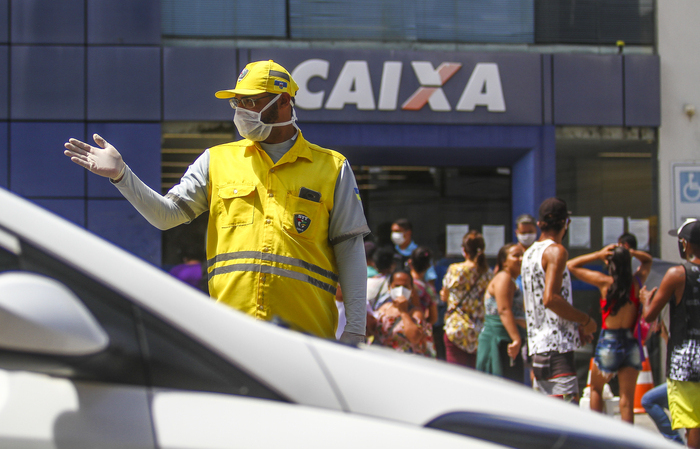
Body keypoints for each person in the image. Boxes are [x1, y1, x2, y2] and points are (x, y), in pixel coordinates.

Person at [63, 60, 370, 344]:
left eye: (251, 101)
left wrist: (355, 330)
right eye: (238, 102)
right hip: (231, 337)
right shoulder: (216, 160)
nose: (241, 110)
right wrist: (121, 175)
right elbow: (166, 216)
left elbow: (350, 250)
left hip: (307, 337)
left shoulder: (332, 167)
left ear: (285, 102)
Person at [521, 197, 597, 403]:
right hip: (557, 351)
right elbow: (551, 299)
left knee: (551, 420)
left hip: (538, 350)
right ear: (567, 223)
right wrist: (586, 321)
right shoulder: (556, 251)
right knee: (569, 421)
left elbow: (533, 304)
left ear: (539, 224)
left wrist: (573, 326)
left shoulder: (528, 255)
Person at [567, 244, 652, 422]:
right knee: (627, 399)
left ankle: (600, 436)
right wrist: (631, 252)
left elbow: (571, 265)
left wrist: (598, 254)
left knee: (596, 389)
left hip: (609, 341)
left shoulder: (605, 283)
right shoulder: (636, 283)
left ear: (610, 264)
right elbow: (647, 260)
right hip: (631, 342)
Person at [642, 218, 700, 448]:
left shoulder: (677, 274)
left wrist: (646, 300)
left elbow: (649, 315)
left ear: (684, 244)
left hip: (685, 364)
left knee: (693, 424)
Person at [441, 230, 493, 368]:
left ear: (464, 250)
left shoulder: (455, 269)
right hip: (479, 331)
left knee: (456, 377)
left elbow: (444, 295)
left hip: (456, 330)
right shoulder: (488, 273)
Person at [476, 243, 527, 382]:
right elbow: (504, 310)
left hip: (507, 343)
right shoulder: (503, 278)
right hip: (499, 344)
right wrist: (516, 339)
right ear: (504, 261)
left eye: (523, 255)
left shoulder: (512, 280)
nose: (521, 259)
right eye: (516, 255)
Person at [371, 270, 435, 357]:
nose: (401, 289)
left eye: (405, 286)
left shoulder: (416, 313)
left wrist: (404, 312)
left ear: (411, 289)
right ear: (390, 288)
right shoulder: (383, 309)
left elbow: (414, 338)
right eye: (397, 286)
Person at [641, 320, 685, 444]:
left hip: (685, 382)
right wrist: (665, 336)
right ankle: (676, 441)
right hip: (681, 381)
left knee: (649, 400)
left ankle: (675, 442)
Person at [391, 218, 436, 283]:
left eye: (398, 231)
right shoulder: (391, 252)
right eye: (393, 231)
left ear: (408, 232)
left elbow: (430, 279)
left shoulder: (420, 253)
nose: (394, 235)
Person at [408, 246, 439, 326]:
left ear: (409, 262)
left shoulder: (403, 283)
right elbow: (433, 318)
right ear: (428, 266)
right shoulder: (429, 289)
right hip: (419, 328)